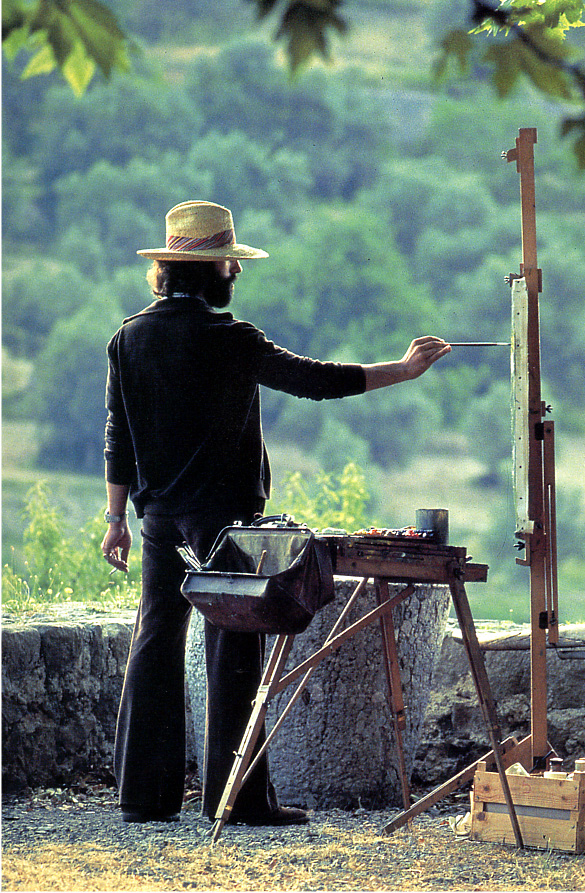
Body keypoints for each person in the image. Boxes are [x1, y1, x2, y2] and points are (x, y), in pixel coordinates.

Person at [101, 200, 450, 825]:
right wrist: (402, 370)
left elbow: (117, 436)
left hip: (158, 520)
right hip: (224, 522)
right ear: (209, 271)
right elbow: (315, 380)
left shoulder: (128, 337)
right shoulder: (231, 339)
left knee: (155, 640)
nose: (236, 271)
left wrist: (114, 519)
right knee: (233, 648)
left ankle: (143, 798)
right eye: (229, 263)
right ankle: (237, 802)